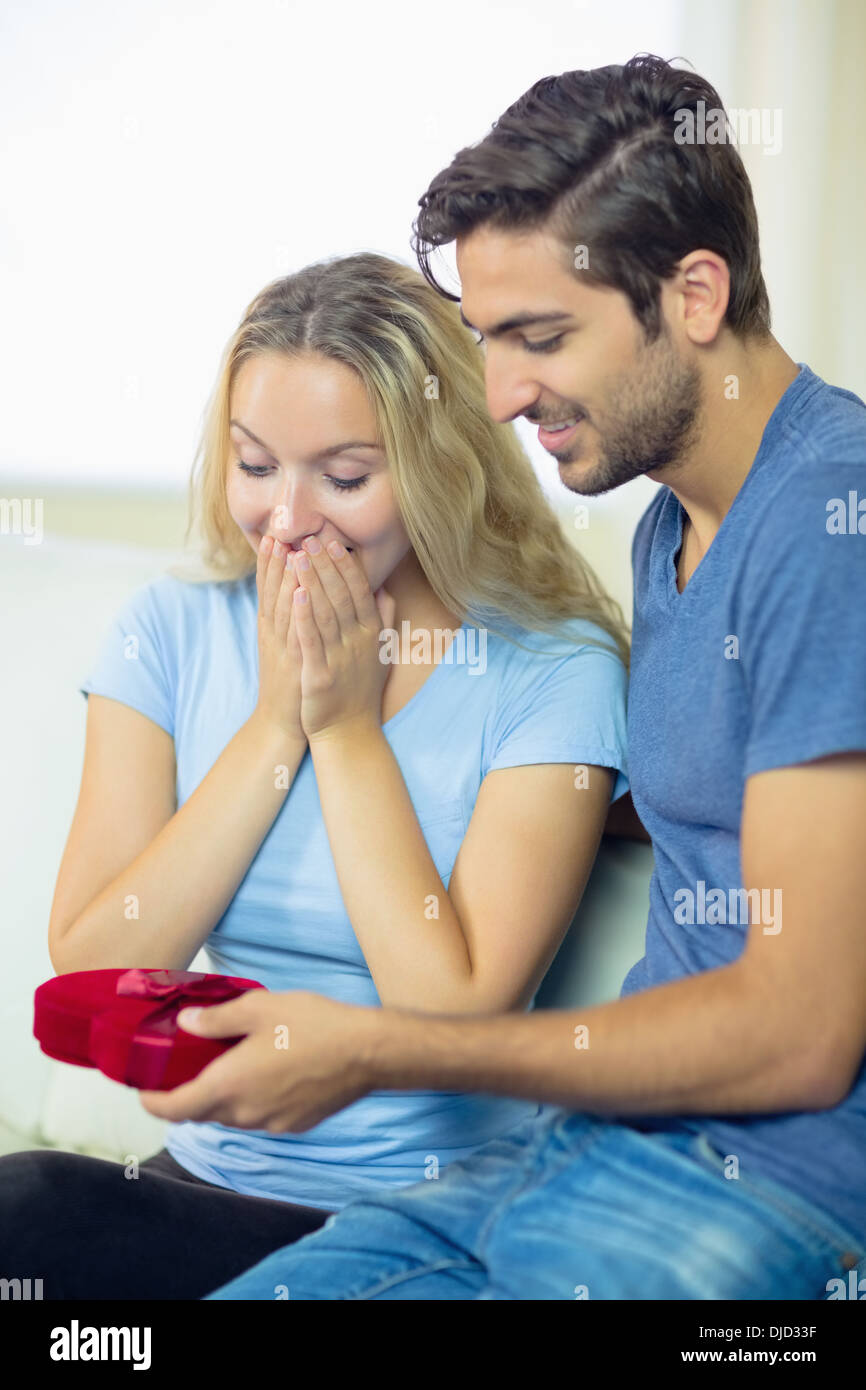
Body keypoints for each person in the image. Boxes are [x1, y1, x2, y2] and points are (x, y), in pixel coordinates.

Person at [181, 54, 863, 1300]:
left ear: (694, 295)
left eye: (538, 338)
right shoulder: (675, 523)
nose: (496, 398)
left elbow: (802, 1033)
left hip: (778, 1184)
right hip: (590, 1149)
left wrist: (373, 1051)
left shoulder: (830, 523)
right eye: (487, 340)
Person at [0, 253, 630, 1299]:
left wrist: (344, 731)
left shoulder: (553, 668)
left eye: (342, 477)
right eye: (254, 465)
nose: (287, 521)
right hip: (201, 1196)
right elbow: (95, 965)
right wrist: (274, 723)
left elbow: (454, 1014)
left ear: (438, 468)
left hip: (436, 1222)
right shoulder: (170, 630)